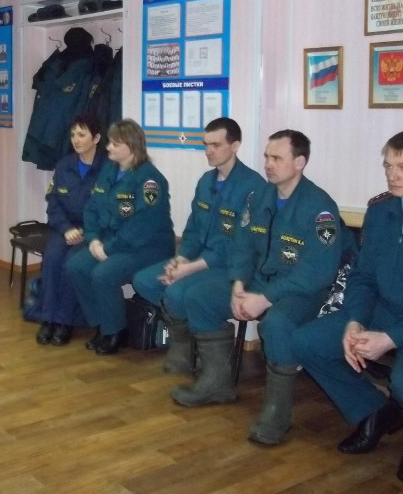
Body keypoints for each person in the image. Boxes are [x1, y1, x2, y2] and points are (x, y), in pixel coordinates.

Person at [292, 130, 403, 484]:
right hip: (384, 310)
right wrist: (355, 320)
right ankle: (374, 412)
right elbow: (363, 276)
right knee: (307, 342)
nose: (392, 175)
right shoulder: (381, 209)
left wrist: (391, 337)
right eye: (388, 166)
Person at [169, 129, 342, 448]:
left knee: (276, 324)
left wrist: (265, 299)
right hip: (259, 280)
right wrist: (238, 284)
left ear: (299, 162)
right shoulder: (261, 196)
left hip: (300, 290)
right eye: (266, 157)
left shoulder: (320, 208)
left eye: (277, 158)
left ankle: (277, 413)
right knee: (200, 297)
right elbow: (242, 244)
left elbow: (318, 272)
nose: (268, 164)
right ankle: (216, 383)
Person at [132, 117, 265, 374]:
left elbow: (239, 246)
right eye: (206, 144)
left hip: (230, 267)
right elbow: (193, 229)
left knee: (176, 292)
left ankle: (204, 342)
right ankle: (189, 340)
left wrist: (189, 269)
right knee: (145, 281)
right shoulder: (206, 181)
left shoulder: (253, 188)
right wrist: (181, 258)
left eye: (216, 145)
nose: (208, 151)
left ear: (235, 146)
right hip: (199, 259)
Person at [65, 119, 175, 355]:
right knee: (76, 267)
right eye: (110, 142)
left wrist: (107, 249)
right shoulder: (109, 170)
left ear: (132, 146)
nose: (108, 147)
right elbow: (92, 209)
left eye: (115, 144)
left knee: (103, 274)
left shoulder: (150, 180)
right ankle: (102, 325)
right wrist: (93, 239)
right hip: (110, 240)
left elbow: (142, 226)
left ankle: (116, 332)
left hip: (147, 247)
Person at [35, 114, 107, 346]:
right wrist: (66, 229)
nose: (76, 139)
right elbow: (53, 203)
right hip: (65, 228)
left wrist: (88, 231)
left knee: (71, 264)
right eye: (73, 134)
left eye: (82, 134)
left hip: (92, 232)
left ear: (96, 138)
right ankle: (48, 319)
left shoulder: (108, 168)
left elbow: (108, 209)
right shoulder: (64, 166)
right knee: (52, 257)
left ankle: (64, 322)